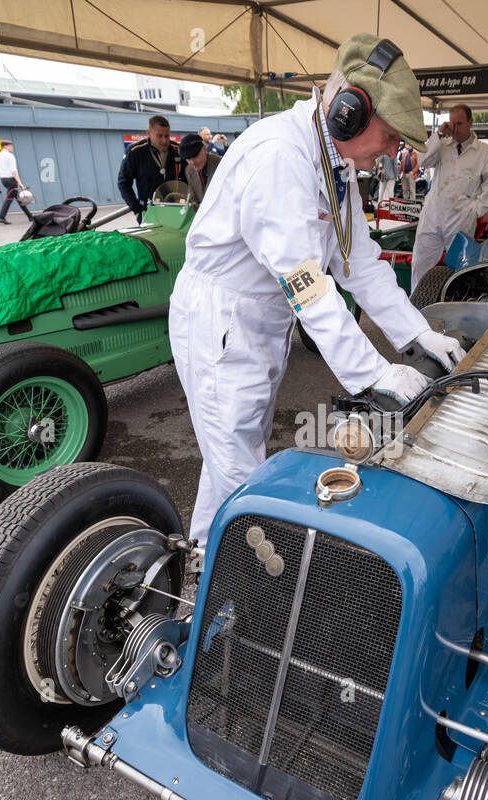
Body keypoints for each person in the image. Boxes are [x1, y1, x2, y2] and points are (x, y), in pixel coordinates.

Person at [167, 33, 464, 544]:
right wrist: (373, 374)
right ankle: (244, 596)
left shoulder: (332, 163)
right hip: (222, 324)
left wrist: (420, 336)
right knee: (243, 482)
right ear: (350, 111)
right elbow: (306, 283)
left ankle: (198, 570)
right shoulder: (280, 156)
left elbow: (360, 264)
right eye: (392, 136)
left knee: (232, 465)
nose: (394, 152)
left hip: (256, 325)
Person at [410, 102, 488, 290]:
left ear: (470, 122)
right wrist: (439, 134)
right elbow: (423, 160)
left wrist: (476, 209)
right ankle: (415, 304)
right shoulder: (442, 144)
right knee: (420, 263)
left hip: (461, 216)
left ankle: (456, 303)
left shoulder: (483, 152)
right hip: (433, 213)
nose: (455, 129)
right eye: (451, 123)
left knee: (461, 267)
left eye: (459, 124)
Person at [118, 116, 184, 221]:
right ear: (148, 133)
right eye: (159, 136)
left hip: (175, 210)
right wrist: (137, 210)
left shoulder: (177, 150)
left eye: (167, 136)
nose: (164, 140)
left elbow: (187, 178)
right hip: (148, 212)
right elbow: (123, 183)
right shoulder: (135, 151)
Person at [0, 139, 31, 224]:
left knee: (18, 198)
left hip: (4, 180)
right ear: (6, 146)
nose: (12, 147)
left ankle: (30, 216)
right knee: (9, 199)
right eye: (11, 146)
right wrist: (20, 183)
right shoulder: (10, 156)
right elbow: (14, 171)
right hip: (11, 180)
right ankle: (1, 217)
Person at [180, 132, 220, 205]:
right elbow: (193, 199)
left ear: (204, 149)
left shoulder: (220, 164)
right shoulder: (189, 170)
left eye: (195, 156)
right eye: (188, 158)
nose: (192, 162)